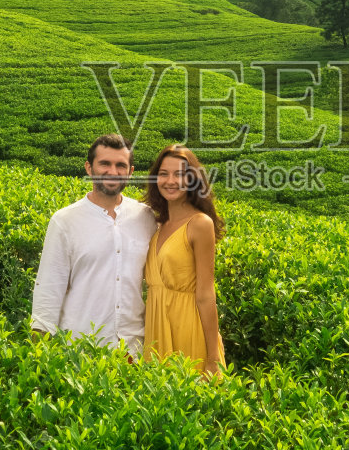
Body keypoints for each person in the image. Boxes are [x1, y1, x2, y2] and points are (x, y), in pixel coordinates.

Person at [30, 134, 156, 359]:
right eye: (104, 164)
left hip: (134, 351)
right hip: (80, 350)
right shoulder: (65, 221)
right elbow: (48, 290)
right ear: (89, 168)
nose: (113, 171)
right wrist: (41, 355)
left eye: (120, 165)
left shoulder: (145, 217)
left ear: (130, 171)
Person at [142, 143, 226, 376]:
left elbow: (206, 295)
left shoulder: (199, 224)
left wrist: (213, 357)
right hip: (156, 328)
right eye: (164, 174)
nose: (171, 181)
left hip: (188, 327)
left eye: (180, 174)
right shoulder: (157, 224)